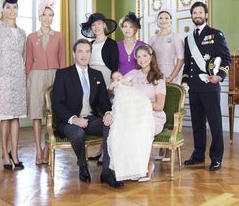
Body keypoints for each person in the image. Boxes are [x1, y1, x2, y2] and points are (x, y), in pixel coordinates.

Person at [52, 39, 123, 188]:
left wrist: (108, 113)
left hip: (90, 119)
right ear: (74, 54)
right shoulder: (63, 74)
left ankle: (107, 172)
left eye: (87, 51)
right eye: (80, 51)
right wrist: (74, 119)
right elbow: (57, 104)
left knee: (112, 126)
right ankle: (83, 166)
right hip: (69, 121)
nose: (84, 55)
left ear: (91, 54)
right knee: (78, 134)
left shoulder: (96, 74)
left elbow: (103, 101)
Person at [182, 1, 231, 171]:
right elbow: (187, 64)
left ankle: (216, 158)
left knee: (215, 123)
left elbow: (226, 58)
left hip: (210, 86)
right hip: (194, 88)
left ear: (206, 15)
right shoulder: (188, 39)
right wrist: (185, 80)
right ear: (192, 16)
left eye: (200, 12)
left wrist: (220, 76)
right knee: (197, 123)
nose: (197, 15)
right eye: (194, 13)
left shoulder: (216, 34)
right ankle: (198, 154)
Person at [108, 44, 166, 182]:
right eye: (138, 57)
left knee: (137, 129)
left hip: (152, 116)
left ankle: (147, 165)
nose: (141, 59)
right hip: (134, 115)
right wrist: (114, 85)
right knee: (121, 128)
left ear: (151, 57)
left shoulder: (158, 78)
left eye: (144, 56)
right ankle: (130, 167)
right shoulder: (133, 74)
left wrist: (139, 104)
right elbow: (116, 87)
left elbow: (159, 105)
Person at [26, 0, 66, 165]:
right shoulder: (31, 37)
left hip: (55, 75)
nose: (48, 18)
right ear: (39, 17)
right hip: (36, 76)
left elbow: (62, 59)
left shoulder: (59, 36)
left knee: (54, 113)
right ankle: (38, 149)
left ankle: (49, 147)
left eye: (50, 15)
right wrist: (28, 79)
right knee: (37, 114)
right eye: (44, 15)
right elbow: (28, 61)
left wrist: (64, 80)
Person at [0, 0, 26, 170]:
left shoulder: (22, 33)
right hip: (2, 78)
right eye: (8, 7)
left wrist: (23, 75)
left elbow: (23, 57)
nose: (12, 10)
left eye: (15, 7)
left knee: (16, 117)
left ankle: (14, 153)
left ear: (18, 10)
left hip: (18, 78)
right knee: (5, 117)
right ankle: (4, 153)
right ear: (3, 10)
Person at [81, 12, 119, 163]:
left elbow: (115, 66)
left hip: (106, 78)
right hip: (91, 80)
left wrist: (111, 85)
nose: (96, 27)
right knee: (95, 113)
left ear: (104, 25)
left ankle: (106, 151)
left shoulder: (111, 44)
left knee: (107, 112)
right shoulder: (89, 45)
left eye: (99, 23)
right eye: (93, 25)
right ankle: (99, 148)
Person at [149, 9, 184, 162]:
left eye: (166, 18)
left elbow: (181, 59)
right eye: (161, 18)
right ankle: (161, 149)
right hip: (155, 76)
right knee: (158, 109)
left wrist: (171, 77)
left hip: (170, 75)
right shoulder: (152, 39)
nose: (163, 20)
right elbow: (148, 58)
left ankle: (169, 150)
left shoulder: (176, 38)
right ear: (157, 21)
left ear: (171, 20)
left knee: (169, 109)